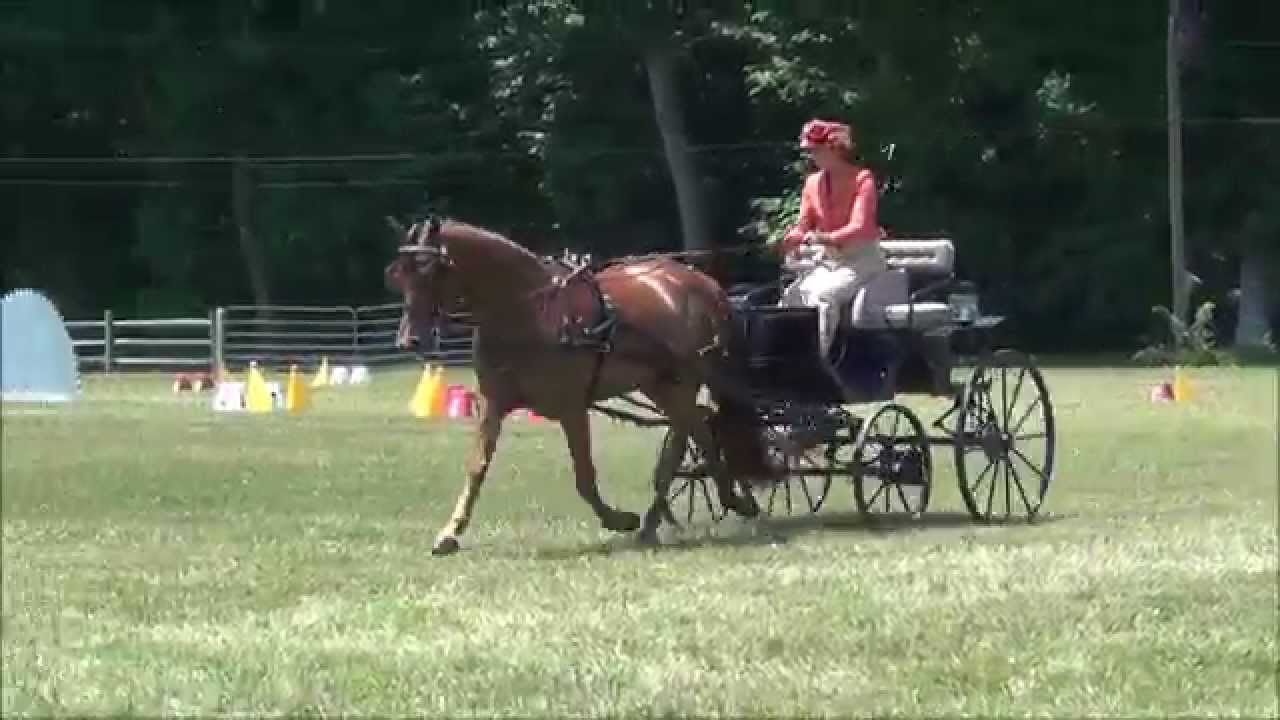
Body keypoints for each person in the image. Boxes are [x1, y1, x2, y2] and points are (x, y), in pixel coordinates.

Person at [777, 118, 888, 367]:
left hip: (862, 261)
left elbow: (859, 226)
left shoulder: (863, 179)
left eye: (815, 150)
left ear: (833, 148)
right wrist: (793, 237)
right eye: (808, 150)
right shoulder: (812, 183)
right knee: (792, 297)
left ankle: (816, 363)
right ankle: (783, 360)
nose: (811, 155)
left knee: (823, 297)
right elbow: (804, 222)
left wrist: (823, 238)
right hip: (830, 263)